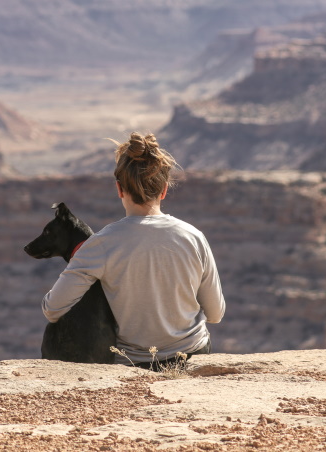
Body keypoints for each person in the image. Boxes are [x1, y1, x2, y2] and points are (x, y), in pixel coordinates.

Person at [41, 132, 225, 369]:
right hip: (192, 356)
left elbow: (52, 309)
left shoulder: (100, 244)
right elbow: (216, 314)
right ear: (164, 189)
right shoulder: (194, 237)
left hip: (134, 364)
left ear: (119, 189)